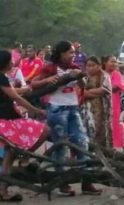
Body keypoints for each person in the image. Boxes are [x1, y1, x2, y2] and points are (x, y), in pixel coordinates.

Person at [31, 41, 101, 196]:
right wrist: (48, 80)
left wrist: (81, 77)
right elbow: (34, 84)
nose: (73, 55)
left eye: (74, 53)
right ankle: (63, 183)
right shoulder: (50, 68)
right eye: (70, 52)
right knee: (61, 145)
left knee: (82, 142)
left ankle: (86, 181)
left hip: (73, 108)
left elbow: (83, 86)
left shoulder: (74, 67)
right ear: (61, 54)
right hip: (57, 109)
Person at [0, 50, 50, 201]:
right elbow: (16, 97)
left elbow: (12, 92)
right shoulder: (1, 77)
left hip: (7, 120)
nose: (13, 62)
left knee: (9, 157)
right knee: (45, 130)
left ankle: (3, 190)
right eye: (11, 60)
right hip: (7, 121)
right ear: (6, 62)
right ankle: (24, 159)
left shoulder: (3, 78)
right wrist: (37, 111)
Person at [80, 56, 112, 147]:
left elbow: (104, 90)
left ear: (99, 66)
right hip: (87, 109)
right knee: (89, 130)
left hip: (102, 109)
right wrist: (94, 93)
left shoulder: (104, 75)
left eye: (92, 65)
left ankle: (105, 155)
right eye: (88, 65)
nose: (89, 68)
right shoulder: (83, 77)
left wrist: (89, 92)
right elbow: (81, 92)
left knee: (102, 131)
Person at [102, 55, 124, 150]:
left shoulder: (116, 74)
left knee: (115, 124)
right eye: (112, 61)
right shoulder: (101, 74)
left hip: (114, 103)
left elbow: (117, 87)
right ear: (105, 63)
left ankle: (117, 146)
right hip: (101, 103)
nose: (114, 64)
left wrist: (103, 89)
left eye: (115, 62)